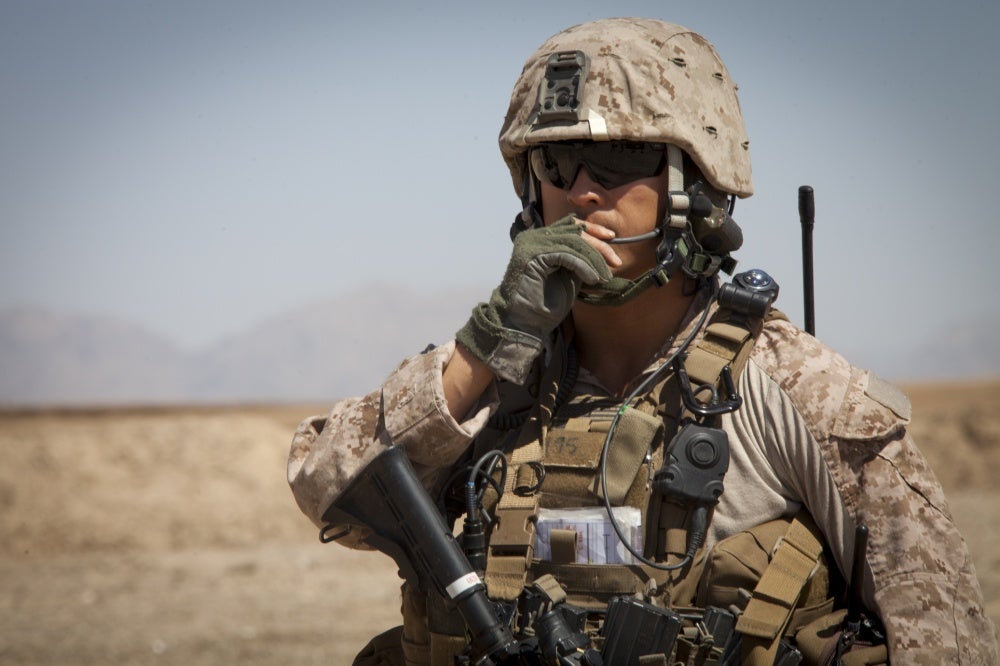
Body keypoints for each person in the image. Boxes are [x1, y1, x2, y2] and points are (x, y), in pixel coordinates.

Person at [288, 17, 997, 665]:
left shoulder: (794, 391)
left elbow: (943, 637)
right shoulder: (490, 377)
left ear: (699, 180)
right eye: (556, 162)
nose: (582, 192)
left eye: (621, 158)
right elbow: (326, 494)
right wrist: (490, 341)